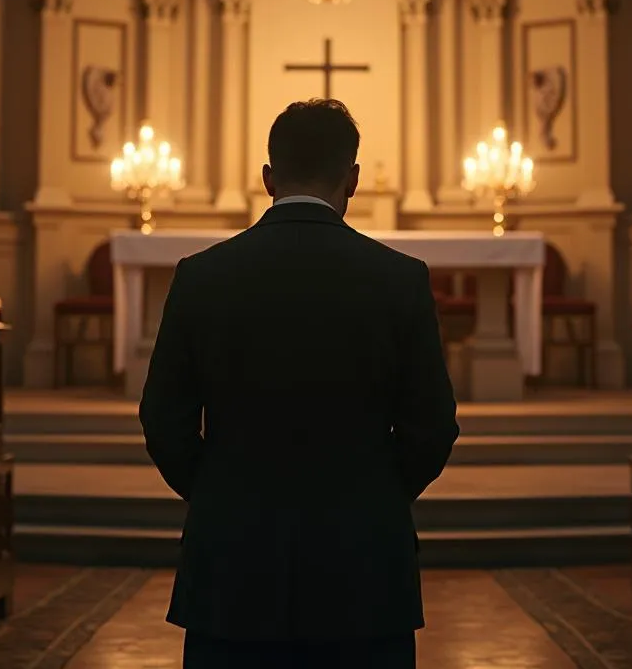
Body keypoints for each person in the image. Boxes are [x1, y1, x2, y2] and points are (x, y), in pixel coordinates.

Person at [140, 99, 459, 669]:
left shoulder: (202, 277)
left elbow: (164, 420)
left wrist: (222, 493)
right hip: (363, 570)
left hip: (233, 567)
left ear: (267, 178)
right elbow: (432, 427)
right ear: (353, 179)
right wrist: (373, 495)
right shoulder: (400, 280)